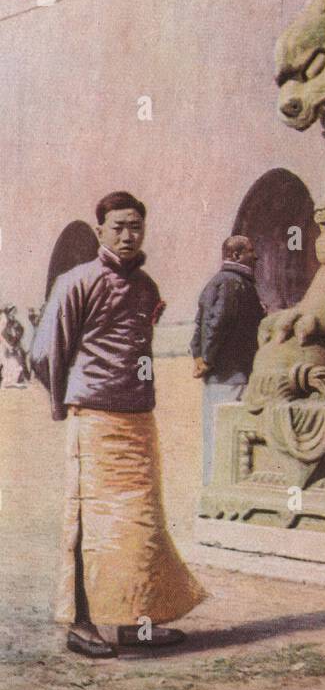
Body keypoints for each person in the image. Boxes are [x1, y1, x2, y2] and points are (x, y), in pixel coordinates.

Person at [31, 192, 206, 659]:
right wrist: (66, 404)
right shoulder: (77, 281)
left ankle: (136, 626)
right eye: (118, 227)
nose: (128, 236)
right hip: (95, 419)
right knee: (92, 523)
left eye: (136, 227)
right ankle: (81, 624)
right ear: (100, 231)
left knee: (141, 524)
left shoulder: (147, 287)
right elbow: (46, 351)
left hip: (138, 419)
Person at [191, 235, 266, 483]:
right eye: (250, 251)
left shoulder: (221, 282)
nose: (255, 257)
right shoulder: (232, 284)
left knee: (219, 434)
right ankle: (216, 489)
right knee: (223, 436)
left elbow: (202, 324)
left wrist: (200, 357)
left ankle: (214, 486)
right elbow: (216, 323)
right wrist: (208, 359)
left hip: (225, 375)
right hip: (230, 376)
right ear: (235, 255)